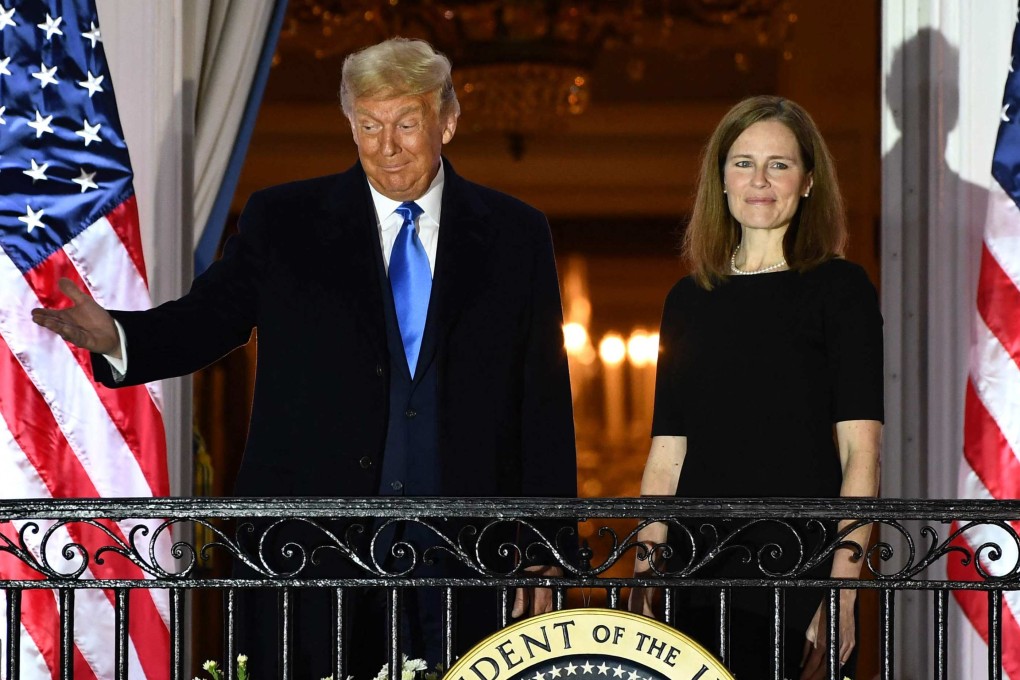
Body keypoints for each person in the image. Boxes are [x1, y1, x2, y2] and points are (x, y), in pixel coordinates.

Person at [32, 37, 576, 677]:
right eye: (369, 126)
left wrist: (548, 542)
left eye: (406, 123)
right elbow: (211, 318)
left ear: (447, 121)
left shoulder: (515, 232)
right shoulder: (284, 220)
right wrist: (121, 336)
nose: (387, 145)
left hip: (464, 553)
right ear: (350, 125)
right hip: (312, 547)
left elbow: (540, 391)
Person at [627, 95, 883, 680]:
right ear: (720, 180)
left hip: (797, 572)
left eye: (779, 164)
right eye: (743, 163)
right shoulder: (688, 299)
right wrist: (644, 581)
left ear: (809, 181)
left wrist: (842, 593)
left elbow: (860, 454)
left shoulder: (841, 291)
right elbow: (667, 457)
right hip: (694, 572)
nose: (759, 181)